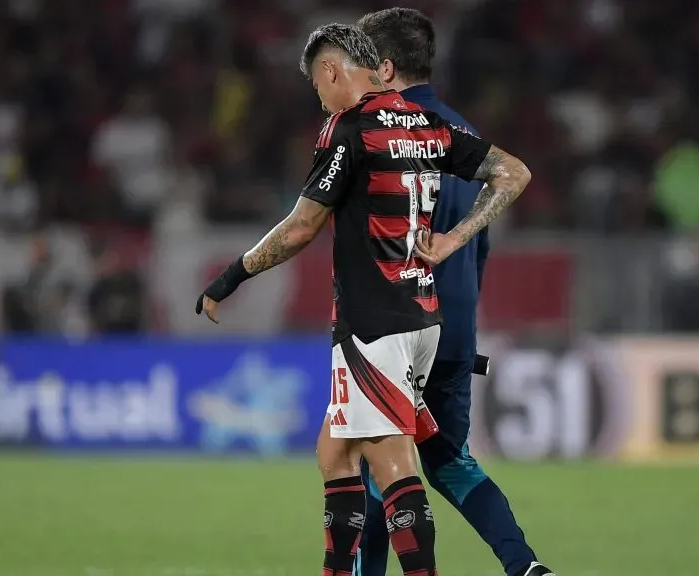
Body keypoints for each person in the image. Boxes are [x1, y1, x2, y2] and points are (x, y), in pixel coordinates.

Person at [197, 24, 531, 576]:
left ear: (330, 71)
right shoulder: (425, 123)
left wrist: (233, 274)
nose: (319, 97)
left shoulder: (349, 128)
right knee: (334, 451)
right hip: (421, 316)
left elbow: (303, 226)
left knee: (392, 460)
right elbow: (511, 173)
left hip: (375, 321)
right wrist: (454, 238)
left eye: (315, 85)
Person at [355, 8, 554, 576]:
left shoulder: (384, 131)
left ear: (385, 66)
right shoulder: (467, 136)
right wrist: (462, 326)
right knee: (449, 460)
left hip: (398, 323)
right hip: (457, 323)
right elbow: (479, 245)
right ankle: (524, 564)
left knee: (378, 463)